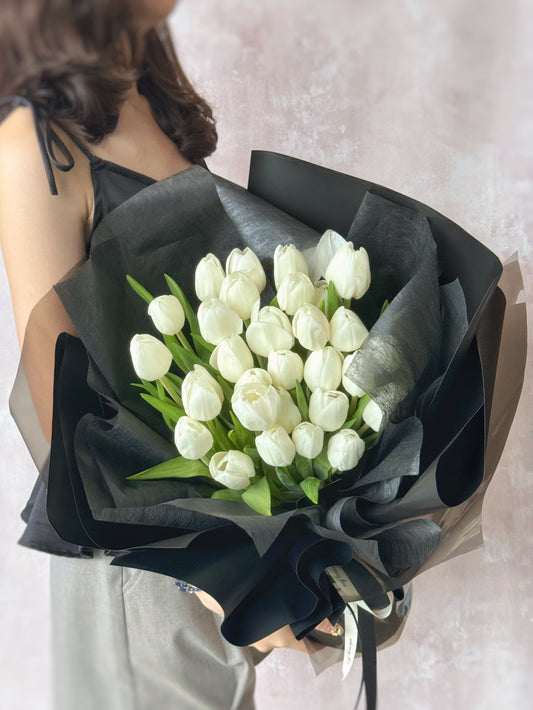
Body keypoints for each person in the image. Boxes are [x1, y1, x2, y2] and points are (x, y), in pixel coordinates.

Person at [0, 2, 336, 708]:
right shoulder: (31, 143)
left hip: (208, 547)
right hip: (140, 569)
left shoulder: (144, 91)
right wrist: (228, 575)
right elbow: (65, 419)